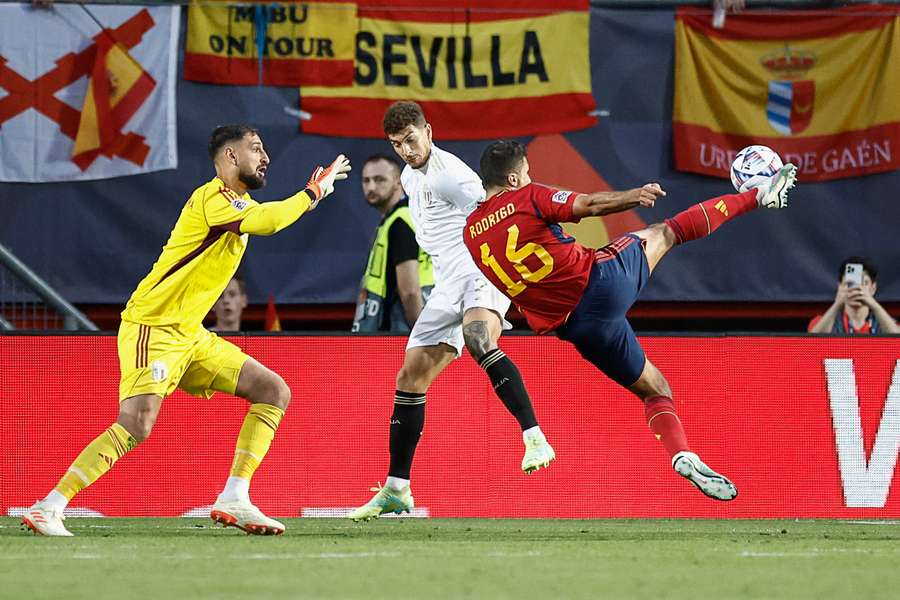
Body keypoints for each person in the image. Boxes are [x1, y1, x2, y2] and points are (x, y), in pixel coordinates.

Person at [22, 124, 351, 536]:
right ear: (230, 157)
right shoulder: (213, 198)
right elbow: (270, 221)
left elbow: (262, 217)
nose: (265, 157)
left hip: (190, 335)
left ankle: (235, 496)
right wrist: (313, 192)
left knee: (273, 391)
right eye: (255, 148)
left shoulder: (239, 205)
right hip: (153, 326)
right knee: (137, 423)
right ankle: (49, 506)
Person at [463, 140, 798, 501]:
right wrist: (633, 196)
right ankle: (758, 195)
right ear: (513, 178)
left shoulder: (470, 233)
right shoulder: (525, 197)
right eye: (527, 173)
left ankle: (682, 454)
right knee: (665, 232)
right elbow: (588, 205)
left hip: (578, 330)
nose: (531, 177)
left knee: (654, 390)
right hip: (601, 284)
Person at [349, 102, 554, 522]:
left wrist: (519, 266)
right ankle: (397, 488)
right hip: (447, 282)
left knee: (480, 340)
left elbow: (500, 211)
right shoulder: (409, 176)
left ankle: (534, 437)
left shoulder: (452, 175)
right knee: (410, 377)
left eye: (410, 139)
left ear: (428, 130)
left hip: (479, 270)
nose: (406, 149)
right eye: (396, 144)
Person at [353, 154, 433, 333]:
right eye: (366, 181)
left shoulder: (401, 221)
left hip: (398, 335)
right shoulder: (395, 219)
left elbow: (410, 290)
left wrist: (422, 335)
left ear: (398, 182)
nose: (371, 187)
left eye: (379, 180)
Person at [808, 257, 899, 334]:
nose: (856, 289)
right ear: (840, 287)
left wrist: (874, 306)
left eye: (864, 283)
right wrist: (837, 305)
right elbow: (813, 344)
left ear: (873, 288)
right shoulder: (823, 321)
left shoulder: (885, 322)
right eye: (849, 283)